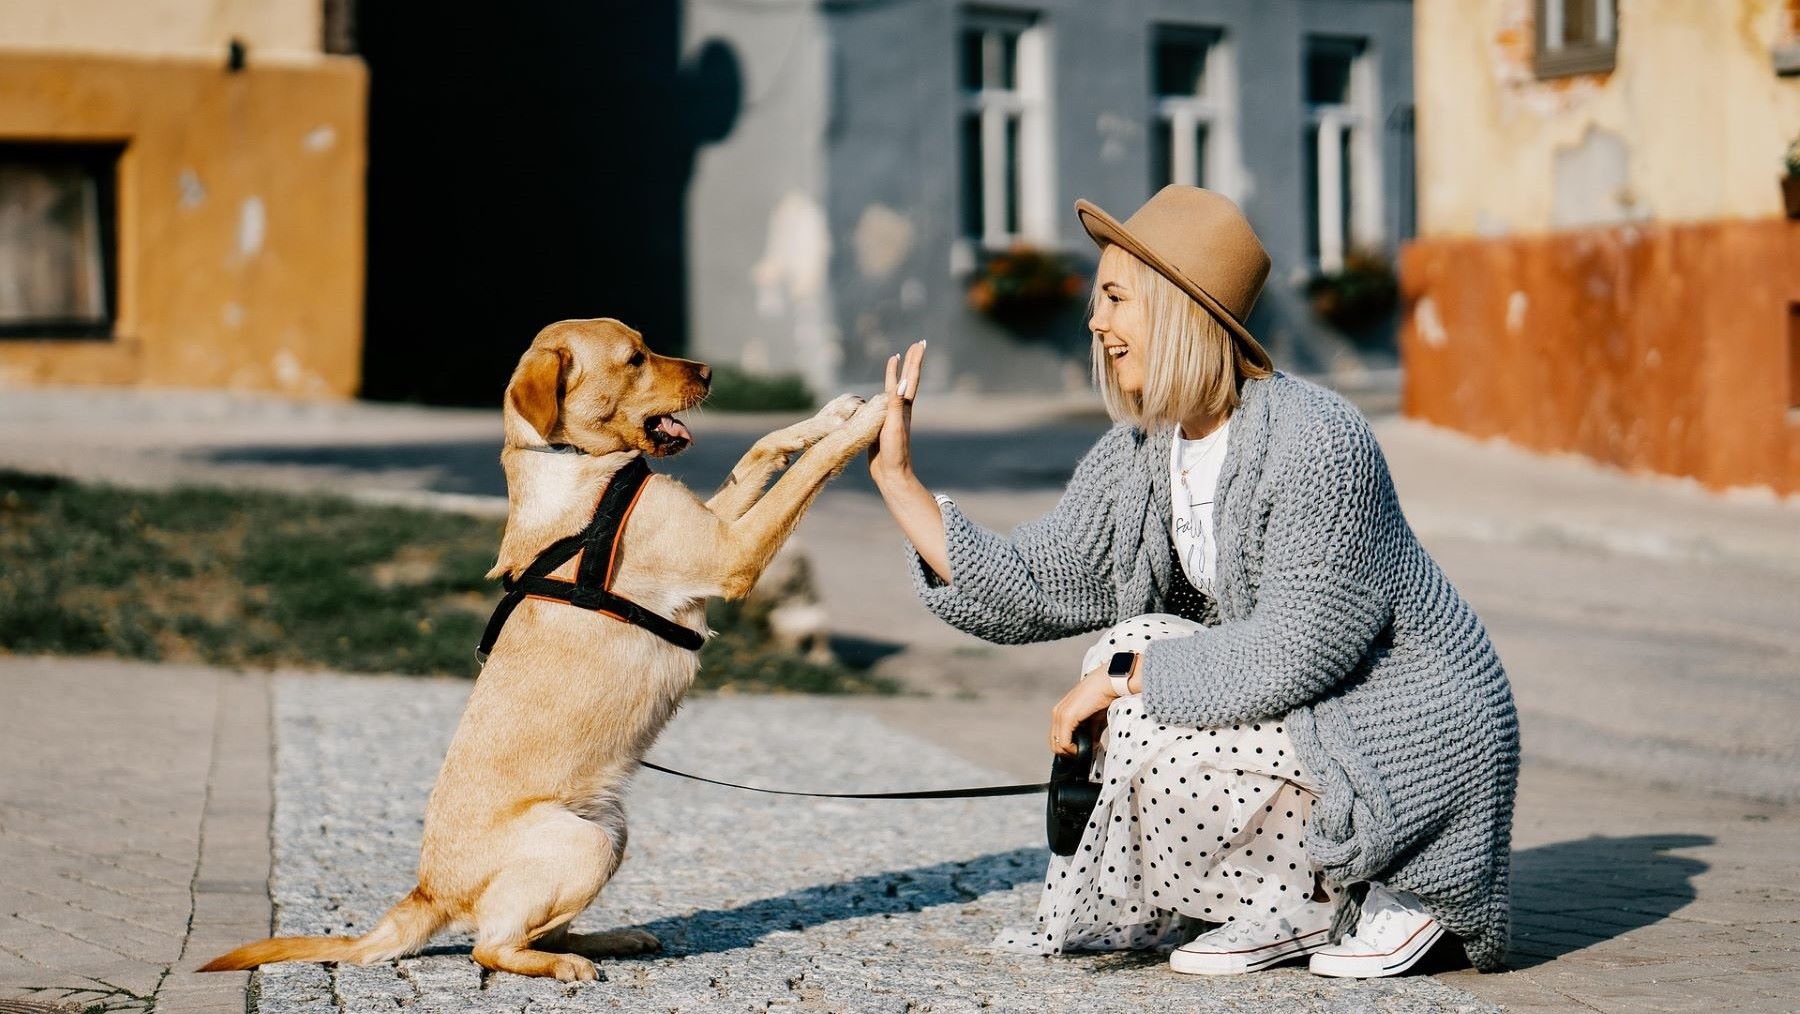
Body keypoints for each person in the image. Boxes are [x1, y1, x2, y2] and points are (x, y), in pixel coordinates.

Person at [865, 186, 1518, 978]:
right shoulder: (1145, 450)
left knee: (1132, 675)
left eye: (1115, 298)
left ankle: (1373, 887)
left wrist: (1121, 683)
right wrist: (900, 482)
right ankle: (1282, 899)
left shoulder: (1318, 439)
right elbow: (1039, 580)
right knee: (1129, 648)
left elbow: (1297, 650)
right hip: (1311, 718)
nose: (1096, 322)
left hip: (1407, 731)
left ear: (1177, 308)